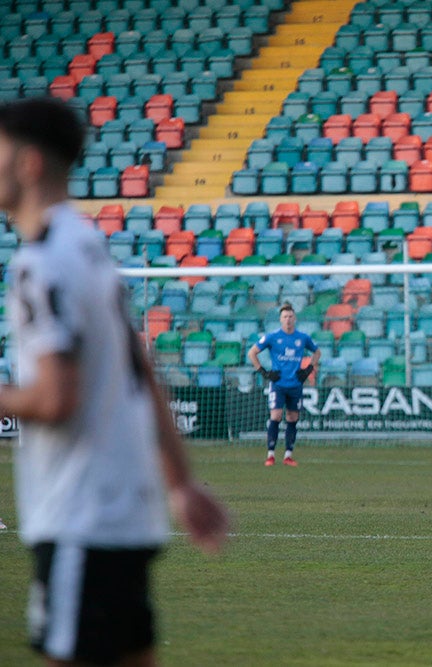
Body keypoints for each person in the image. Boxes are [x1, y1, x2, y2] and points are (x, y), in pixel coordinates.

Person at [0, 97, 229, 666]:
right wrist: (180, 481)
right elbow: (140, 364)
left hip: (78, 516)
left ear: (27, 163)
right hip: (124, 511)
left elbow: (55, 399)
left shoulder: (42, 262)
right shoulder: (86, 242)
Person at [247, 302, 320, 467]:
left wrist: (308, 369)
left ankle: (288, 455)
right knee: (276, 416)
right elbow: (252, 352)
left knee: (292, 418)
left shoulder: (302, 338)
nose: (288, 320)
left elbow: (317, 352)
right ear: (280, 319)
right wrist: (263, 372)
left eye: (290, 316)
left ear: (295, 318)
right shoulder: (272, 337)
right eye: (285, 317)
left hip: (295, 384)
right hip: (278, 384)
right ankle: (270, 455)